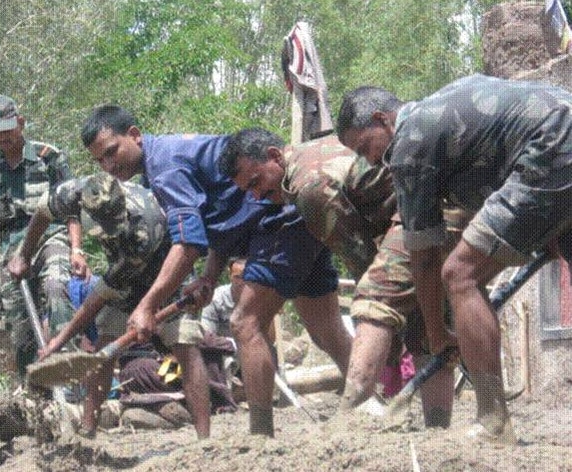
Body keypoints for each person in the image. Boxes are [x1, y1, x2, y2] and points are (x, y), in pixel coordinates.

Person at [79, 105, 352, 437]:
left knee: (245, 323)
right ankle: (369, 401)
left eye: (112, 152)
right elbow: (221, 220)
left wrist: (148, 305)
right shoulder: (162, 163)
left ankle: (261, 435)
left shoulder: (165, 167)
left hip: (278, 220)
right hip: (284, 220)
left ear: (134, 135)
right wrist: (209, 276)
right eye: (100, 161)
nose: (109, 166)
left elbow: (188, 244)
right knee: (325, 328)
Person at [336, 74, 572, 443]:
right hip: (558, 138)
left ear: (383, 120)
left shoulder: (409, 141)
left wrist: (435, 333)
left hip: (553, 145)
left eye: (365, 147)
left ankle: (493, 419)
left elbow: (424, 257)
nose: (369, 160)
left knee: (460, 274)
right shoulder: (440, 111)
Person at [219, 128, 455, 427]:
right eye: (247, 191)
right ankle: (440, 429)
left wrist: (388, 324)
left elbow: (359, 257)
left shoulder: (310, 187)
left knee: (372, 300)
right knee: (423, 322)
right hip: (431, 210)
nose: (256, 195)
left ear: (274, 156)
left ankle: (353, 413)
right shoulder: (310, 156)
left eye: (256, 182)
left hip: (418, 215)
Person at [8, 173, 211, 439]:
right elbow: (42, 212)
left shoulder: (143, 226)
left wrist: (59, 340)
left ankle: (204, 441)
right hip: (122, 275)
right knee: (104, 347)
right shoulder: (73, 192)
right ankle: (88, 430)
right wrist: (24, 254)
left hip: (168, 275)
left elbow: (99, 297)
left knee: (184, 343)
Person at [0, 95, 85, 381]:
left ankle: (69, 376)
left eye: (7, 127)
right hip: (11, 250)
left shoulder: (49, 157)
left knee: (56, 287)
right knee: (19, 326)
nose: (2, 135)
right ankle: (33, 391)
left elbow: (72, 207)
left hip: (51, 237)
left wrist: (77, 250)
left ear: (20, 123)